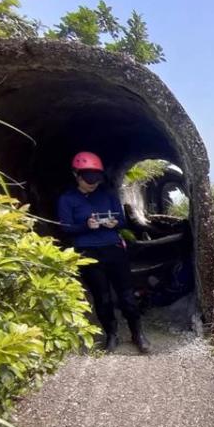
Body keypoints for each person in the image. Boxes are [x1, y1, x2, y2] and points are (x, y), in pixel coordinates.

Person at [57, 151, 153, 354]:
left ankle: (137, 333)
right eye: (88, 179)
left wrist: (114, 223)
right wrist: (86, 225)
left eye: (96, 178)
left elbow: (122, 220)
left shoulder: (107, 195)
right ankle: (112, 334)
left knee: (127, 295)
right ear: (76, 174)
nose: (92, 183)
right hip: (87, 252)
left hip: (113, 249)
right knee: (102, 298)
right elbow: (65, 228)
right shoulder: (67, 199)